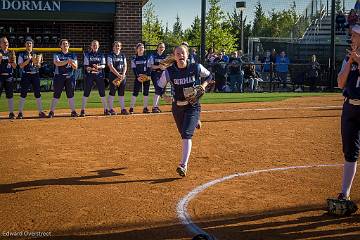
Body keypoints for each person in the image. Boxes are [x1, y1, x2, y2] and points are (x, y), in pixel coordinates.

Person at [157, 45, 212, 177]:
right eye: (178, 53)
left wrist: (203, 86)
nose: (180, 55)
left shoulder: (195, 67)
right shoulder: (169, 72)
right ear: (174, 56)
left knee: (186, 135)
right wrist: (164, 96)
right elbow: (159, 88)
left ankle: (183, 165)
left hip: (192, 105)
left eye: (183, 53)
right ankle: (195, 121)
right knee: (183, 132)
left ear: (187, 55)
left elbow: (209, 76)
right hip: (177, 107)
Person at [336, 24, 360, 201]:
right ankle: (345, 193)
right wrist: (351, 61)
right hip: (350, 108)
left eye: (354, 35)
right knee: (350, 151)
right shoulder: (348, 57)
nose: (351, 38)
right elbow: (340, 83)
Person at [48, 39, 78, 118]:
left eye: (66, 44)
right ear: (60, 46)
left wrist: (70, 62)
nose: (65, 45)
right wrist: (68, 61)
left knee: (70, 94)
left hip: (70, 77)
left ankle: (73, 111)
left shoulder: (73, 55)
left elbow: (75, 67)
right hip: (59, 76)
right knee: (56, 94)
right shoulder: (57, 54)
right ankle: (51, 111)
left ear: (69, 45)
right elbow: (57, 63)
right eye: (63, 44)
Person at [17, 37, 45, 119]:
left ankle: (40, 112)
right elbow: (21, 65)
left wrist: (36, 61)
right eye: (27, 43)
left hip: (35, 74)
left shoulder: (37, 53)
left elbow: (39, 65)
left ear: (32, 44)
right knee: (23, 93)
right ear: (25, 45)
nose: (29, 44)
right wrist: (28, 60)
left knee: (37, 93)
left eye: (30, 43)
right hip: (26, 75)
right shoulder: (22, 54)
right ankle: (20, 112)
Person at [80, 40, 108, 117]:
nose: (95, 46)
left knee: (102, 92)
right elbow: (86, 66)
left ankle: (106, 109)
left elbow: (104, 65)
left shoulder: (101, 54)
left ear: (98, 46)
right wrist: (91, 68)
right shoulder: (87, 54)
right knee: (86, 92)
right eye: (93, 45)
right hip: (90, 76)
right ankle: (82, 110)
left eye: (96, 45)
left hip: (99, 75)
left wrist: (98, 67)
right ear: (91, 46)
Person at [107, 41, 128, 115]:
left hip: (122, 76)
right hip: (113, 76)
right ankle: (111, 109)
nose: (117, 47)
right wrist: (118, 74)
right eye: (116, 45)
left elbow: (125, 65)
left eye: (118, 46)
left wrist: (123, 74)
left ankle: (123, 109)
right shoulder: (110, 55)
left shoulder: (122, 55)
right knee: (112, 92)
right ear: (113, 47)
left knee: (121, 93)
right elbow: (110, 66)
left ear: (120, 47)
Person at [129, 43, 151, 114]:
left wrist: (146, 75)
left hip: (146, 76)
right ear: (137, 49)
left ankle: (145, 108)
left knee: (146, 92)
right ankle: (131, 108)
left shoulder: (147, 57)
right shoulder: (134, 58)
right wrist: (138, 76)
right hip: (138, 77)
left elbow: (149, 67)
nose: (141, 49)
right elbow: (134, 69)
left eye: (142, 47)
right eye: (140, 47)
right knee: (135, 92)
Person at [0, 37, 17, 119]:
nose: (6, 43)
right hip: (0, 76)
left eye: (7, 42)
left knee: (10, 95)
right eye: (4, 42)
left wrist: (12, 61)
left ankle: (11, 113)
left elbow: (14, 67)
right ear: (0, 44)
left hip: (9, 76)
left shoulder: (11, 52)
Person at [148, 42, 167, 113]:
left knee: (160, 90)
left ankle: (156, 106)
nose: (162, 48)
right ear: (157, 48)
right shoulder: (153, 55)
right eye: (160, 47)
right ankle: (154, 107)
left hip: (163, 74)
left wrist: (164, 67)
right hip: (155, 74)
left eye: (163, 47)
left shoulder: (165, 56)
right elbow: (151, 66)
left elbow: (167, 65)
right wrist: (159, 66)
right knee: (158, 88)